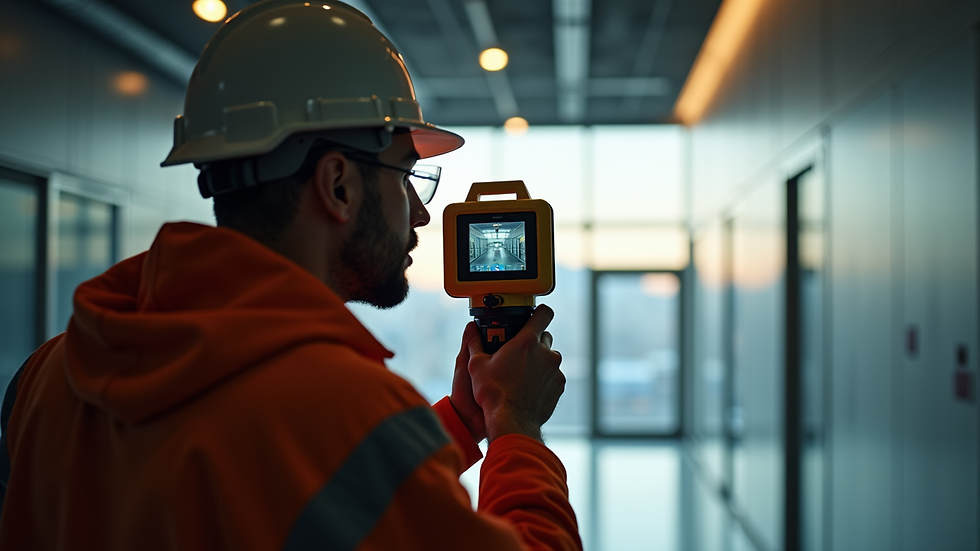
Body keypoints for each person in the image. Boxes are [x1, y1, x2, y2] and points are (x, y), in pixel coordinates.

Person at [0, 1, 582, 549]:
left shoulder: (51, 373)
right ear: (337, 185)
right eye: (406, 175)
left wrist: (459, 419)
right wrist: (516, 428)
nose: (422, 211)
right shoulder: (338, 408)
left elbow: (291, 494)